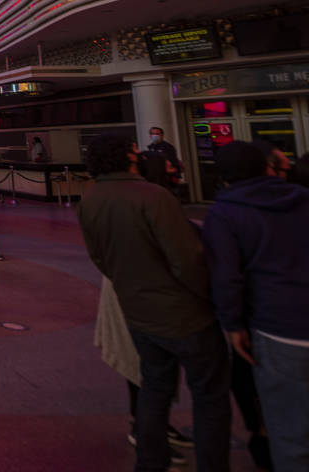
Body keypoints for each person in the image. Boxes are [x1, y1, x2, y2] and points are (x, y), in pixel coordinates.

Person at [77, 134, 230, 472]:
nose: (142, 153)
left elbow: (100, 257)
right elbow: (187, 260)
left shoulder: (90, 198)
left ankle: (150, 461)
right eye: (134, 149)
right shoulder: (153, 196)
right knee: (211, 396)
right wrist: (212, 301)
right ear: (127, 156)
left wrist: (130, 284)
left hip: (137, 311)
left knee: (153, 389)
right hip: (183, 314)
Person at [203, 141, 309, 472]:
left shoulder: (224, 213)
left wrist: (233, 325)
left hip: (278, 327)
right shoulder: (303, 199)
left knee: (291, 431)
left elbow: (226, 277)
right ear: (268, 168)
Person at [93, 277, 192, 464]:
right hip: (134, 284)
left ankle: (153, 425)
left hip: (140, 282)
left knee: (150, 357)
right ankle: (145, 429)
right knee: (141, 357)